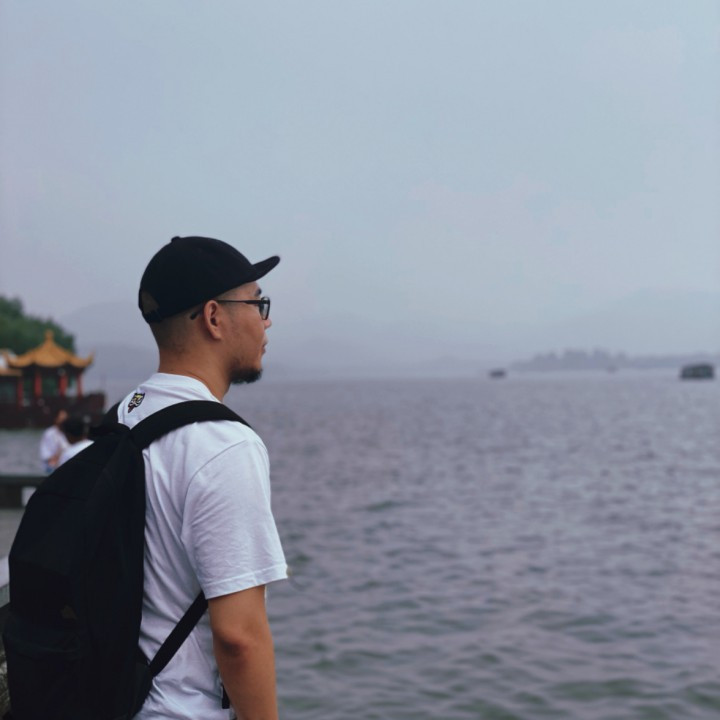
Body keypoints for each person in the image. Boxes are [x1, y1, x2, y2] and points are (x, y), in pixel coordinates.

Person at [122, 236, 287, 720]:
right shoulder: (224, 445)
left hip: (120, 698)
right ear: (214, 317)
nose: (267, 320)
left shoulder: (125, 416)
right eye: (258, 303)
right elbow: (239, 637)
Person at [38, 408, 69, 473]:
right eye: (62, 419)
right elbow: (46, 455)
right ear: (56, 419)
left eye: (66, 419)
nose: (64, 421)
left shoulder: (69, 433)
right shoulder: (49, 433)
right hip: (52, 468)